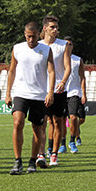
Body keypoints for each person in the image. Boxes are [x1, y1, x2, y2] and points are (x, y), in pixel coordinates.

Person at [5, 21, 55, 175]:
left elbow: (52, 72)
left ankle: (32, 160)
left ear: (38, 34)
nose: (31, 40)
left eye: (33, 37)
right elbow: (12, 71)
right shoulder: (17, 48)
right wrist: (8, 93)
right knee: (17, 122)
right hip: (21, 93)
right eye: (28, 37)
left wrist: (50, 91)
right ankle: (17, 161)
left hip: (39, 96)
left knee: (37, 128)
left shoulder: (46, 50)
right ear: (24, 35)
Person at [38, 15, 71, 167]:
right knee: (42, 123)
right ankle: (41, 153)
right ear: (45, 28)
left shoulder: (63, 45)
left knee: (58, 123)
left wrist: (63, 81)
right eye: (52, 27)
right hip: (42, 90)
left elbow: (67, 67)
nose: (55, 30)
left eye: (57, 27)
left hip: (58, 89)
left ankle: (54, 154)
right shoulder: (37, 45)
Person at [64, 36, 86, 153]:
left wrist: (84, 93)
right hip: (60, 93)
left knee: (73, 118)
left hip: (74, 92)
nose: (68, 46)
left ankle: (72, 141)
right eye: (66, 44)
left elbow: (82, 77)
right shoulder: (58, 59)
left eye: (70, 44)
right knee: (60, 121)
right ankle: (62, 143)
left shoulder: (77, 60)